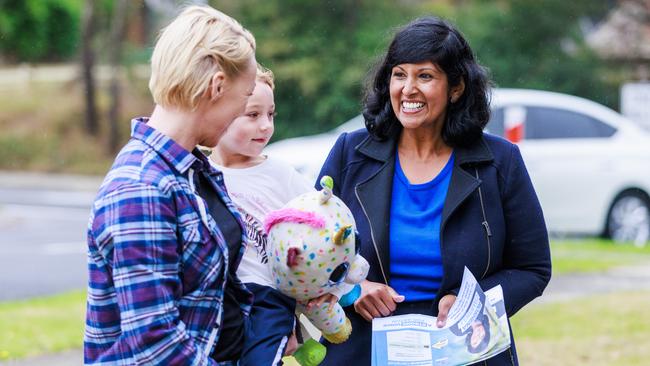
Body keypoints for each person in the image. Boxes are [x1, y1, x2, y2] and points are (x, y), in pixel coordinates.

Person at [316, 16, 551, 365]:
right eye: (399, 74)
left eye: (425, 76)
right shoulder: (350, 154)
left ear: (455, 87)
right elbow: (307, 252)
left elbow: (532, 268)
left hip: (467, 350)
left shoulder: (500, 162)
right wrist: (352, 291)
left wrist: (470, 301)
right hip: (361, 348)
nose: (408, 89)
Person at [84, 5, 258, 365]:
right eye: (245, 98)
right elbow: (154, 343)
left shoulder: (192, 170)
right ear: (217, 86)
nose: (242, 113)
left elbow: (215, 296)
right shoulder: (141, 188)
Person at [209, 65, 336, 365]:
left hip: (269, 298)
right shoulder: (202, 172)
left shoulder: (279, 174)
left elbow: (327, 223)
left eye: (270, 114)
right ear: (221, 110)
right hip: (220, 297)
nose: (265, 125)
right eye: (252, 115)